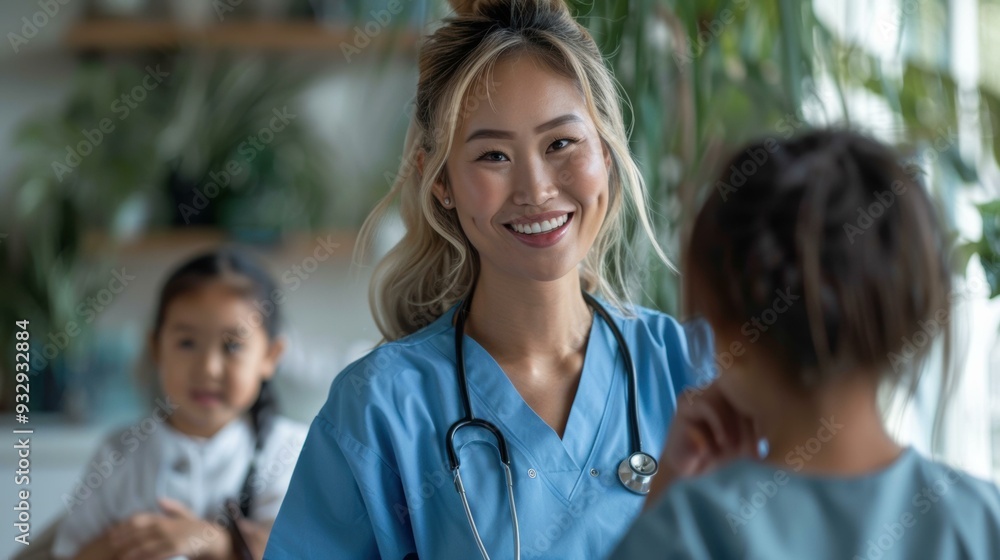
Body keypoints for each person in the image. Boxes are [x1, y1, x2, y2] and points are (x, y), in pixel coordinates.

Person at [261, 0, 756, 558]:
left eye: (561, 143)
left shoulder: (697, 370)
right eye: (493, 155)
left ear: (609, 152)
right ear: (440, 180)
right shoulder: (382, 408)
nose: (536, 188)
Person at [609, 129, 1000, 559]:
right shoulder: (983, 521)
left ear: (728, 331)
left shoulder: (687, 531)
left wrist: (662, 499)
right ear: (906, 317)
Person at [52, 248, 307, 560]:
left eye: (232, 346)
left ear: (270, 357)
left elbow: (301, 551)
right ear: (156, 348)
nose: (208, 368)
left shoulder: (290, 451)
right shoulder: (118, 454)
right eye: (187, 343)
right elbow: (70, 554)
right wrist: (133, 542)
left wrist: (213, 541)